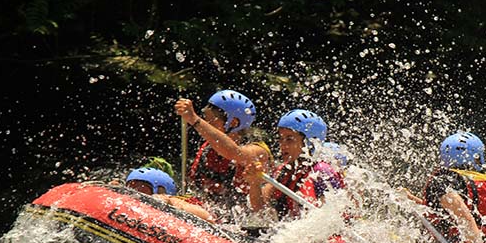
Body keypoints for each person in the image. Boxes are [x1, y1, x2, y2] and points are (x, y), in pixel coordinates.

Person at [174, 90, 271, 221]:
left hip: (230, 220)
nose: (206, 126)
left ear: (233, 123)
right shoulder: (211, 145)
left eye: (210, 122)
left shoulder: (258, 150)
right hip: (200, 207)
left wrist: (194, 119)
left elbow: (234, 153)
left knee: (169, 202)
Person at [249, 109, 345, 221]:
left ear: (309, 143)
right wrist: (254, 183)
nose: (282, 145)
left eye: (289, 139)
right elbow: (260, 210)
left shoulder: (322, 172)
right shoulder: (284, 170)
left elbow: (334, 218)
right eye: (281, 138)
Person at [124, 167, 215, 222]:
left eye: (142, 188)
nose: (135, 192)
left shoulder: (175, 200)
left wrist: (170, 201)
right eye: (130, 187)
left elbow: (207, 217)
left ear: (160, 190)